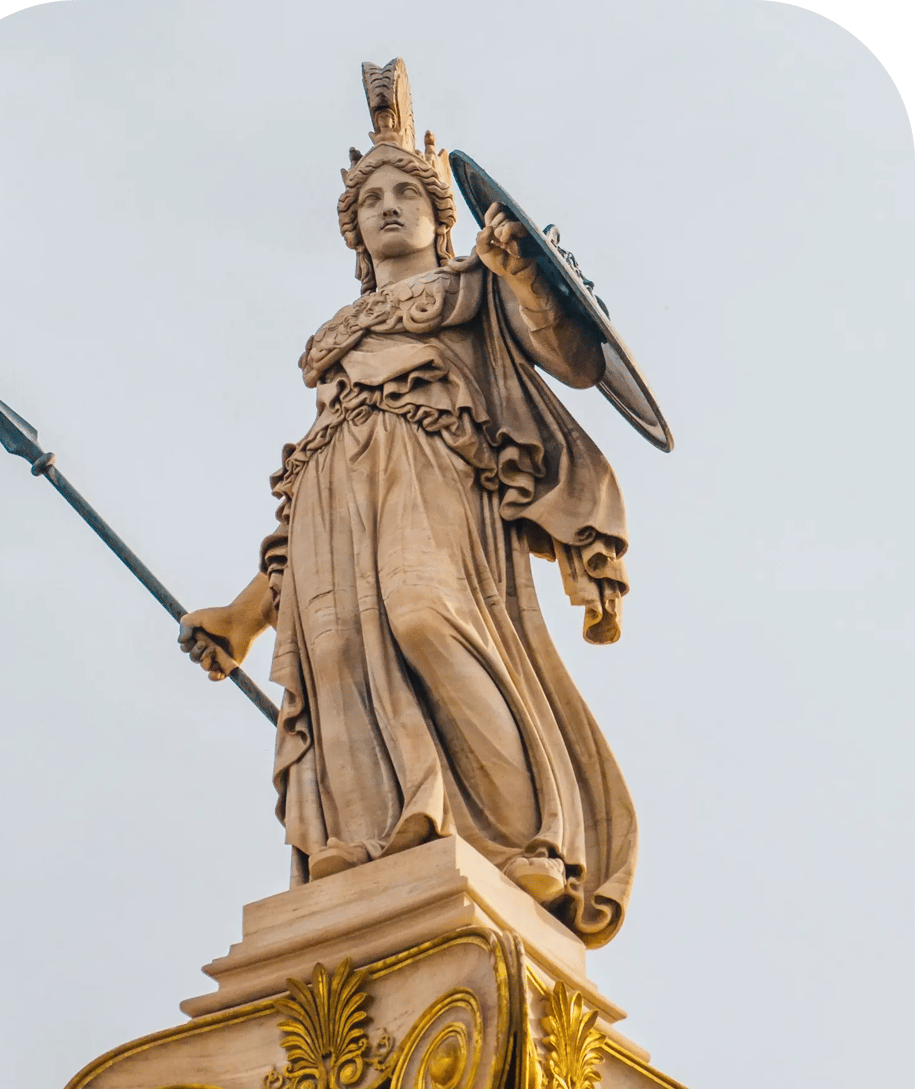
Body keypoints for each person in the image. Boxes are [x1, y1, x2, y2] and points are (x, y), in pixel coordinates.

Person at [179, 60, 637, 948]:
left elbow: (573, 359)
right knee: (338, 648)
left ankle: (524, 840)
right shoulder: (332, 346)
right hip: (334, 495)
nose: (388, 206)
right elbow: (293, 509)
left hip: (434, 475)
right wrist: (240, 617)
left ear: (440, 214)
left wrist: (526, 278)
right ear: (354, 231)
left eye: (405, 192)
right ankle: (360, 838)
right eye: (370, 198)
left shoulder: (473, 290)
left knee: (428, 620)